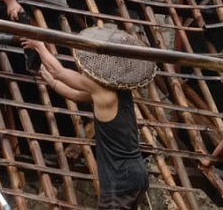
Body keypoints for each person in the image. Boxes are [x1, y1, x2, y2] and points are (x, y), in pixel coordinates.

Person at [20, 38, 149, 210]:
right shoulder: (117, 93)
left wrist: (40, 47)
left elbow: (60, 72)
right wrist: (49, 79)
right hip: (137, 173)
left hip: (120, 177)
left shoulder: (102, 90)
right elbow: (74, 94)